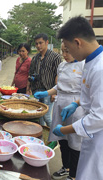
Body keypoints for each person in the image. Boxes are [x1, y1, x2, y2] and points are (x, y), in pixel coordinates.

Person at [53, 16, 103, 180]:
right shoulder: (90, 62)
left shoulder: (100, 68)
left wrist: (64, 130)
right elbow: (91, 95)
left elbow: (99, 117)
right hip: (91, 136)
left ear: (77, 42)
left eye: (67, 48)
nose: (67, 53)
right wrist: (76, 103)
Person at [34, 42, 85, 180]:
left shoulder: (84, 65)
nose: (64, 55)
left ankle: (73, 174)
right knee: (62, 139)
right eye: (62, 51)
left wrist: (76, 104)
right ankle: (66, 167)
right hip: (60, 103)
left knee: (74, 142)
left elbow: (88, 91)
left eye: (67, 51)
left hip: (76, 105)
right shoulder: (62, 65)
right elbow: (58, 86)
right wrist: (46, 92)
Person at [27, 33, 62, 127]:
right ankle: (43, 136)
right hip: (36, 91)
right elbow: (30, 73)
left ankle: (55, 137)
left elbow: (58, 75)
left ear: (47, 42)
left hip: (48, 91)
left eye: (40, 43)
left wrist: (54, 93)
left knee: (47, 117)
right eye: (36, 43)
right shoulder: (35, 58)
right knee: (39, 116)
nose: (38, 46)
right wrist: (28, 88)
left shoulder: (55, 57)